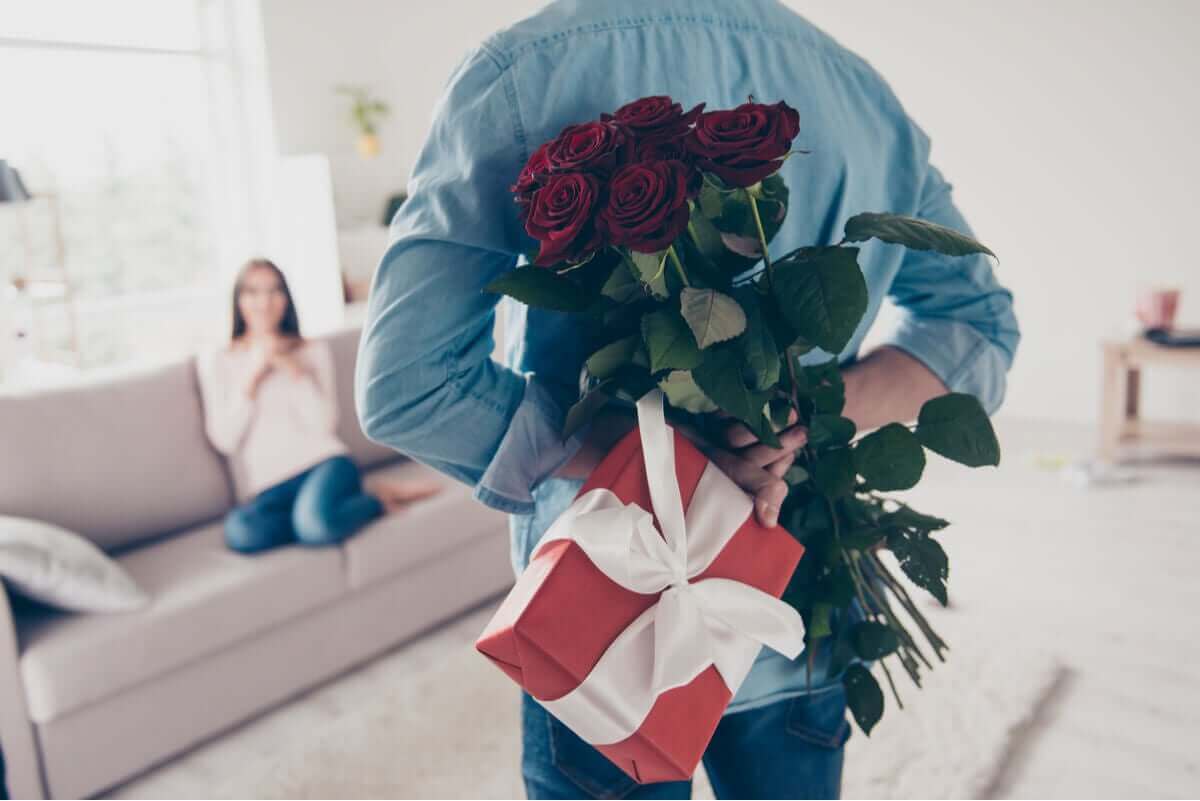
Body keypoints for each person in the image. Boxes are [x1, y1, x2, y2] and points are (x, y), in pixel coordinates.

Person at [355, 1, 1020, 797]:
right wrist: (794, 421)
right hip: (795, 597)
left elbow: (409, 383)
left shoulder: (523, 72)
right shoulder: (862, 96)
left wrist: (655, 457)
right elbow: (979, 325)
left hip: (604, 620)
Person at [198, 258, 441, 554]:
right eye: (253, 292)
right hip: (268, 488)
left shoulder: (311, 350)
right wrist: (255, 374)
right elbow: (225, 439)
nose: (264, 302)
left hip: (324, 466)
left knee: (316, 526)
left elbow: (323, 425)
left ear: (286, 298)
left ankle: (369, 502)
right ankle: (347, 504)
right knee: (242, 534)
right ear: (238, 299)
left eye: (274, 291)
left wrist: (294, 370)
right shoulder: (217, 359)